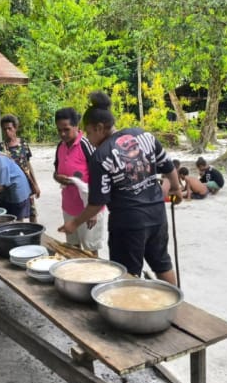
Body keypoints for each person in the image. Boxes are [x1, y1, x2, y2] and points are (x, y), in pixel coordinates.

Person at [58, 91, 183, 283]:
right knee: (162, 263)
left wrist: (74, 223)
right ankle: (173, 310)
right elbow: (167, 165)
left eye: (89, 132)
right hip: (157, 215)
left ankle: (132, 312)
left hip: (128, 224)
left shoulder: (101, 156)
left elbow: (97, 202)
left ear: (99, 128)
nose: (89, 138)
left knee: (127, 274)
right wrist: (175, 188)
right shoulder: (144, 136)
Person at [53, 107, 106, 256]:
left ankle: (94, 279)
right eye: (59, 130)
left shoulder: (86, 145)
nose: (62, 134)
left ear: (77, 127)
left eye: (66, 129)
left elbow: (100, 177)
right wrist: (57, 177)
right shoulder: (60, 146)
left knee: (90, 252)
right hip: (69, 207)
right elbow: (56, 171)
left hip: (89, 209)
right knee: (73, 249)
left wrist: (94, 211)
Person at [0, 114, 41, 222]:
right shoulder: (0, 147)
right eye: (4, 129)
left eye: (10, 128)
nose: (7, 131)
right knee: (13, 217)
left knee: (32, 214)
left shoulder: (23, 144)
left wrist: (35, 184)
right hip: (9, 186)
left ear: (15, 128)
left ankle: (35, 236)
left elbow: (28, 164)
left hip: (25, 183)